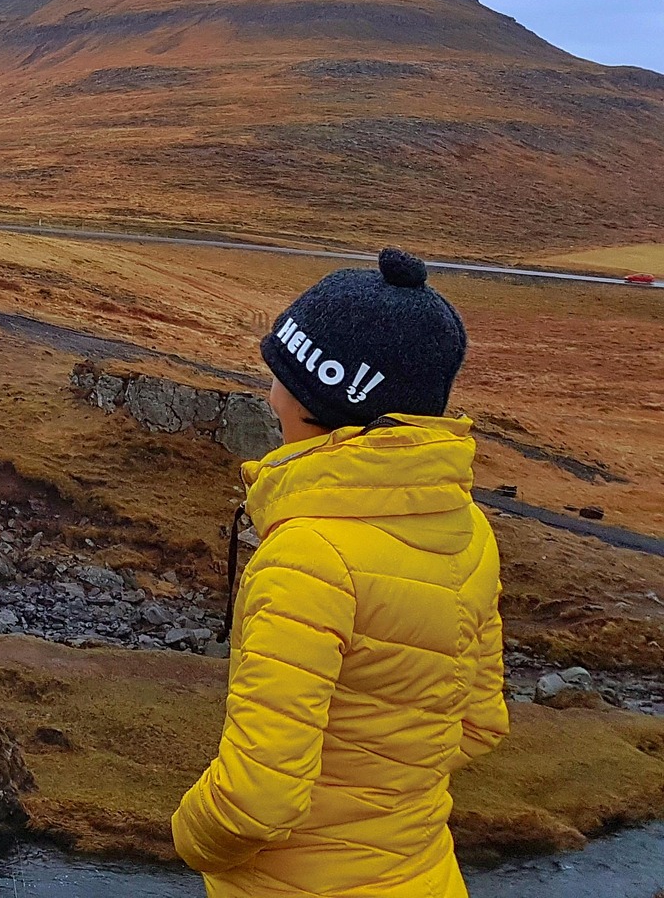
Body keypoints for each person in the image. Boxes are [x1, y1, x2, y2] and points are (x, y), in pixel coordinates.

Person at [172, 247, 505, 896]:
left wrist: (189, 836)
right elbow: (478, 722)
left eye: (280, 375)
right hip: (428, 877)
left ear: (317, 400)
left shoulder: (309, 558)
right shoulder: (468, 528)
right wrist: (377, 792)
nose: (270, 394)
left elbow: (254, 801)